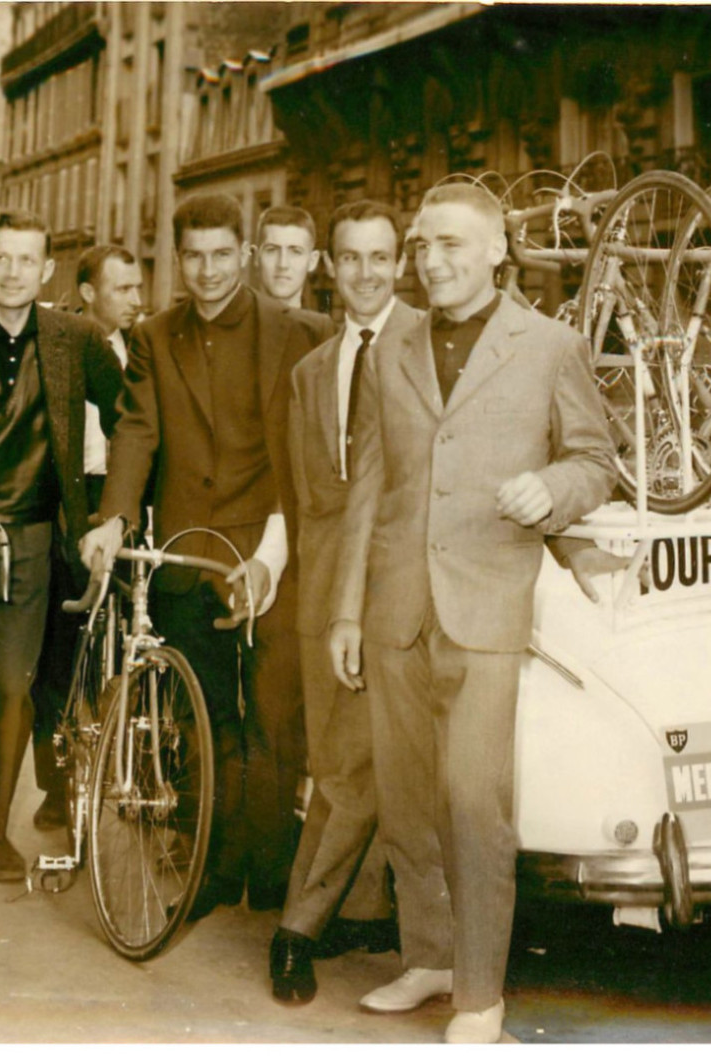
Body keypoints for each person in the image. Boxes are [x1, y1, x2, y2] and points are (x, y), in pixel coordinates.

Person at [328, 182, 615, 1042]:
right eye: (422, 245)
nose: (432, 261)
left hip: (487, 606)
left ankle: (481, 992)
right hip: (395, 607)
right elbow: (372, 484)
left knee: (472, 798)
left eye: (451, 244)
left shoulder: (550, 346)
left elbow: (596, 460)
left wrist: (553, 487)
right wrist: (348, 610)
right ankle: (429, 956)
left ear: (497, 250)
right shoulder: (394, 346)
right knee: (408, 797)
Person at [86, 191, 331, 919]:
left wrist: (277, 547)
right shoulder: (157, 337)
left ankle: (276, 877)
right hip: (190, 554)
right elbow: (136, 432)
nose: (209, 270)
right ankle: (216, 870)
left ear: (245, 255)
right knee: (209, 721)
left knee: (276, 719)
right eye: (194, 256)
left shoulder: (302, 332)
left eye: (223, 254)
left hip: (272, 552)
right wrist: (115, 518)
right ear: (177, 259)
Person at [0, 212, 121, 885]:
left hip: (34, 535)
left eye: (27, 260)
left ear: (46, 270)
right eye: (2, 258)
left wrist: (114, 512)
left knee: (13, 690)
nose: (12, 272)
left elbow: (132, 413)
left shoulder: (75, 338)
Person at [269, 200, 411, 1004]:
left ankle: (299, 925)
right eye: (350, 258)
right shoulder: (309, 372)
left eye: (378, 257)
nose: (364, 272)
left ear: (402, 262)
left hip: (406, 585)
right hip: (328, 590)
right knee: (337, 756)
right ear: (331, 265)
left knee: (362, 766)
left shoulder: (429, 345)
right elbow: (308, 501)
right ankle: (359, 908)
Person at [30, 243, 141, 830]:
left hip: (120, 506)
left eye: (138, 288)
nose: (136, 301)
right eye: (123, 289)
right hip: (69, 509)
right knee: (58, 655)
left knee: (122, 650)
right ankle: (56, 785)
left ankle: (120, 769)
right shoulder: (63, 342)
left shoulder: (142, 349)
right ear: (90, 292)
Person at [254, 206, 329, 331]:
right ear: (256, 256)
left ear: (312, 261)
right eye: (272, 250)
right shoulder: (230, 332)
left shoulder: (324, 335)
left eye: (295, 252)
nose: (283, 264)